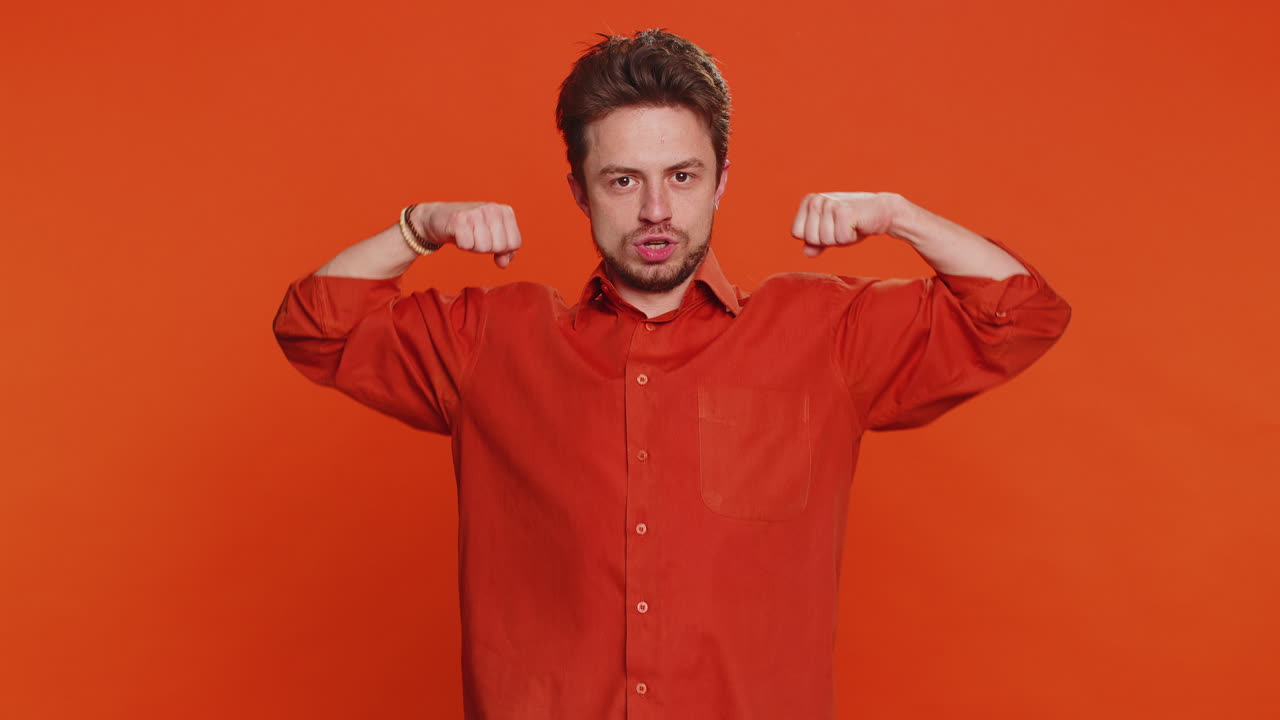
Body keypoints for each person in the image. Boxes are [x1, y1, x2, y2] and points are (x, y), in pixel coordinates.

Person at [272, 29, 1071, 720]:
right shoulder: (491, 341)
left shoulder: (825, 335)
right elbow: (314, 328)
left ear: (720, 181)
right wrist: (418, 228)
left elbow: (1022, 315)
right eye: (623, 180)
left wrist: (898, 216)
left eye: (682, 176)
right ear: (580, 192)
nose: (656, 210)